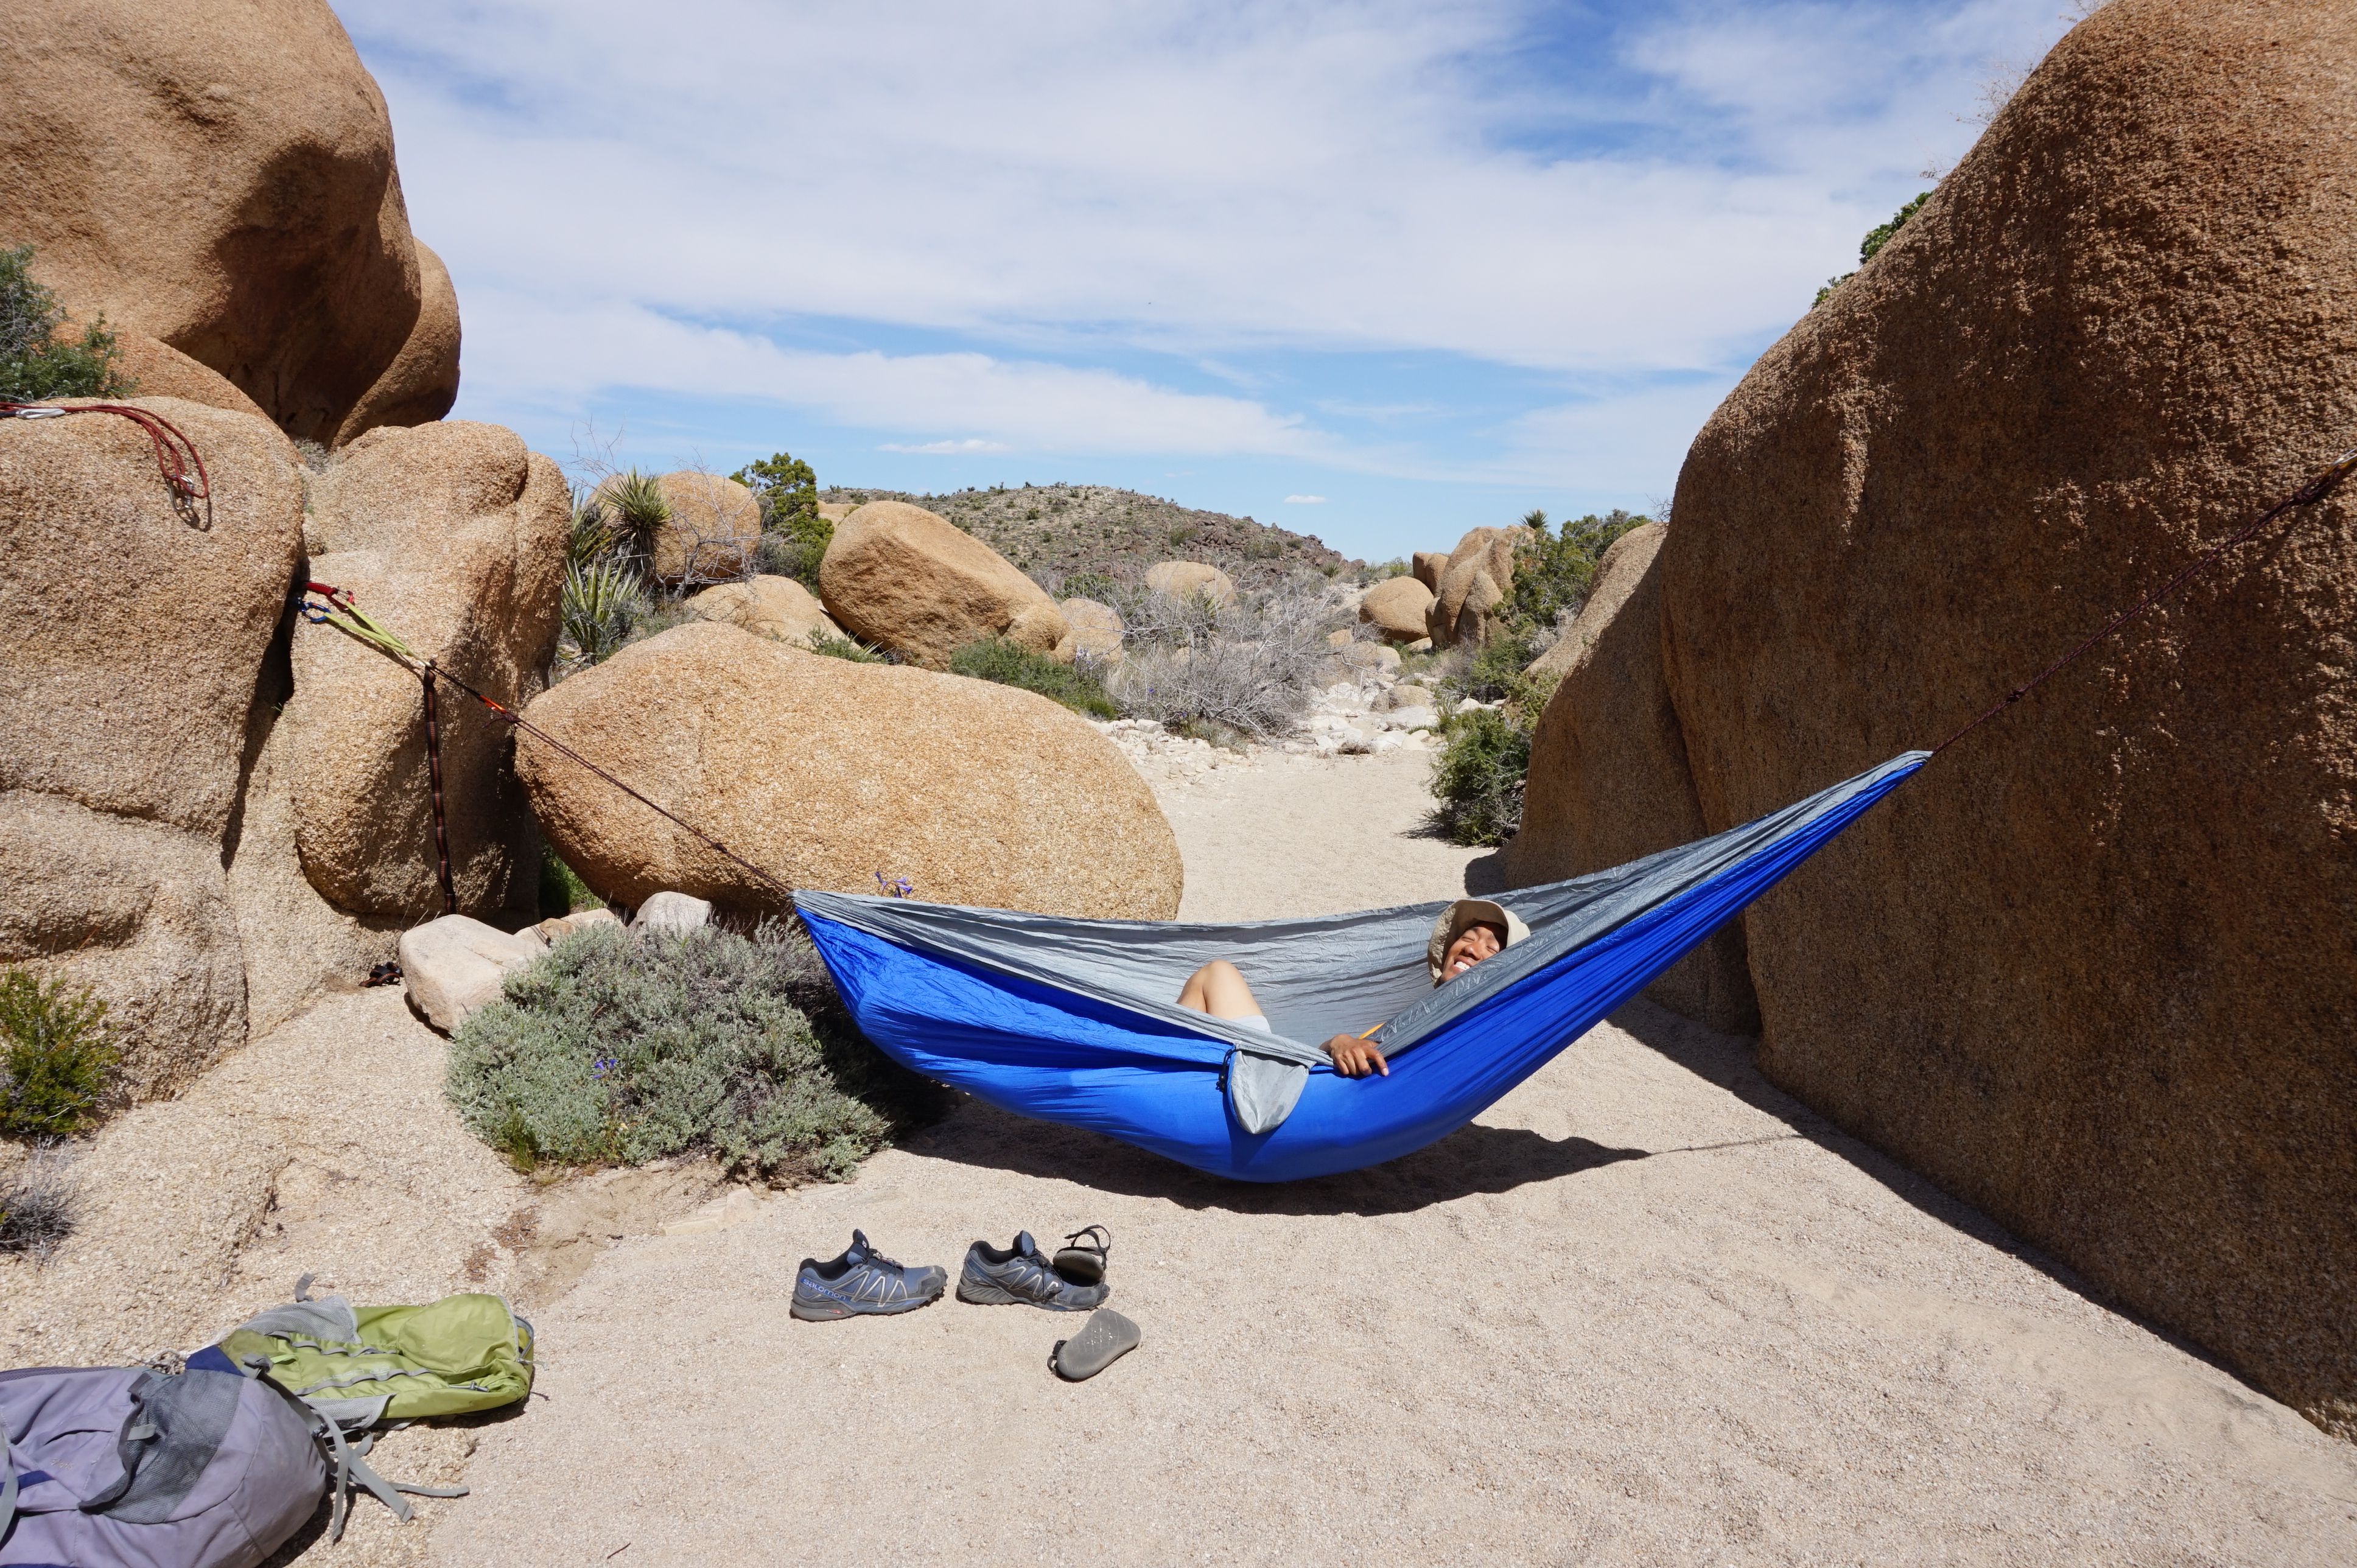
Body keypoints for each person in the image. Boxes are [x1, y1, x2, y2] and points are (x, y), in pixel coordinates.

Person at [1175, 898, 1530, 1079]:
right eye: (1468, 938)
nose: (1471, 948)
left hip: (1274, 1085)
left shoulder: (1467, 1022)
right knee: (1216, 973)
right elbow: (1357, 1053)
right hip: (1291, 1070)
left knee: (1215, 974)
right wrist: (1338, 1042)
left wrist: (1341, 1042)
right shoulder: (1427, 1011)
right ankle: (1170, 1065)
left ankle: (1165, 1064)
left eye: (1491, 949)